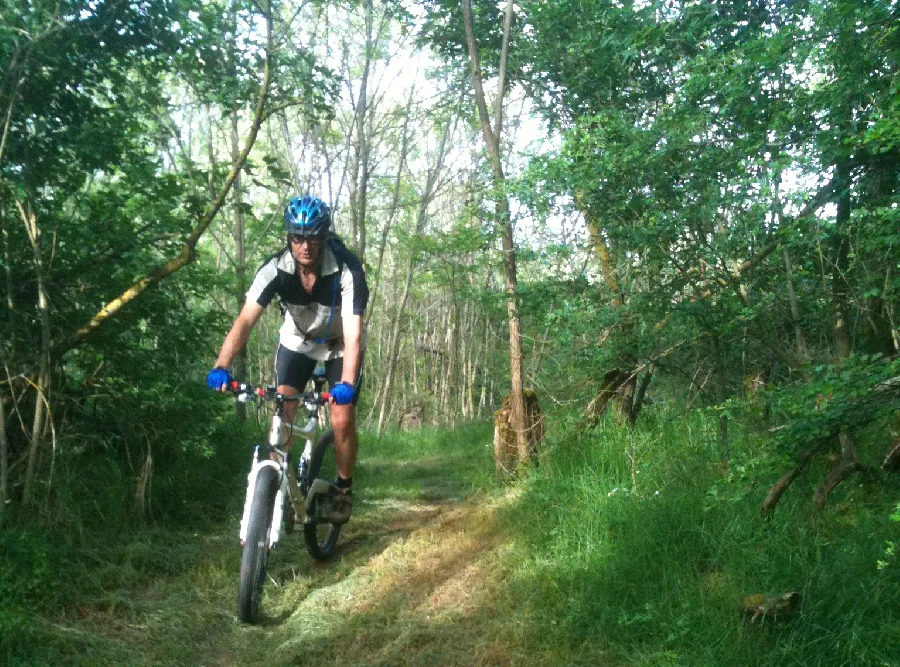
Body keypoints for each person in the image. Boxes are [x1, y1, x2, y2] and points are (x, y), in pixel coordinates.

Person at [206, 195, 368, 524]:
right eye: (297, 237)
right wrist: (221, 365)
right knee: (283, 408)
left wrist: (347, 383)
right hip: (298, 341)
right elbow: (245, 322)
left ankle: (343, 489)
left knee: (341, 419)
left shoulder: (347, 269)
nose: (305, 245)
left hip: (339, 344)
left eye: (312, 237)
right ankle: (277, 486)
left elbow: (353, 336)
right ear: (288, 237)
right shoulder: (275, 269)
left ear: (324, 237)